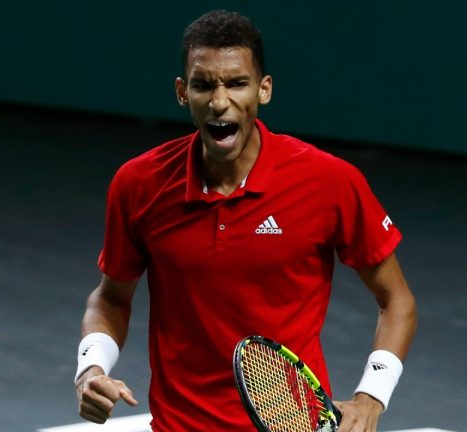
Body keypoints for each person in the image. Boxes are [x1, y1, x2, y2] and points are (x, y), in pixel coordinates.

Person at [74, 9, 417, 432]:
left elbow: (397, 300)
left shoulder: (328, 181)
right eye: (203, 85)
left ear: (264, 89)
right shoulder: (139, 183)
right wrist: (91, 368)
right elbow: (111, 297)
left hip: (291, 426)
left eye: (237, 83)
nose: (220, 102)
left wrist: (371, 397)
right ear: (183, 92)